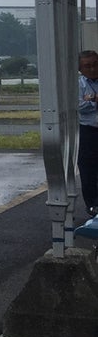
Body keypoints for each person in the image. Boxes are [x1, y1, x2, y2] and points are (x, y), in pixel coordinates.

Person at [79, 50, 98, 217]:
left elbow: (85, 102)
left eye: (95, 64)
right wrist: (94, 100)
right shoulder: (79, 84)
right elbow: (78, 106)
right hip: (88, 132)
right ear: (81, 69)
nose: (92, 69)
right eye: (87, 66)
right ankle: (92, 205)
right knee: (88, 171)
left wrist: (89, 99)